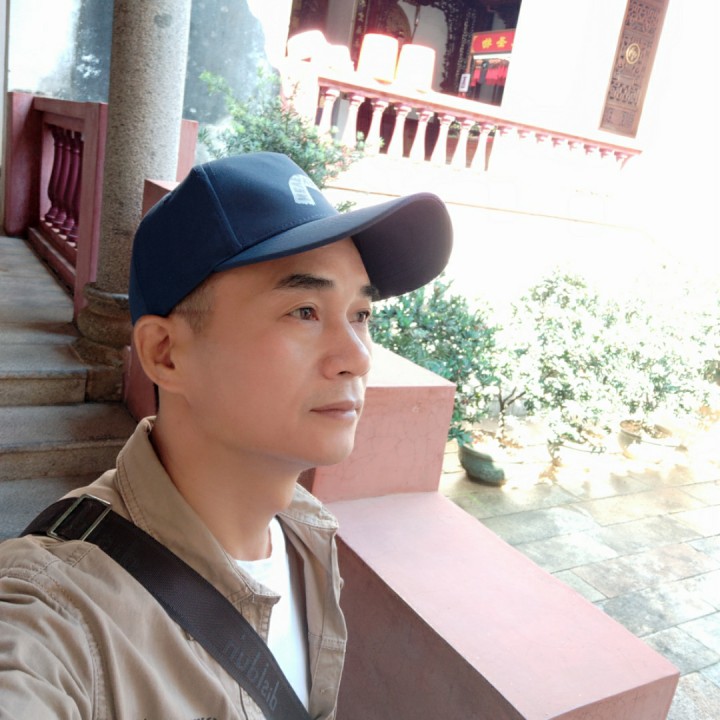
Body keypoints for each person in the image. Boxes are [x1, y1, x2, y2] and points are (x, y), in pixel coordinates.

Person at [0, 151, 452, 719]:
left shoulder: (305, 536)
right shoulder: (57, 613)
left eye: (361, 314)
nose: (357, 358)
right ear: (166, 354)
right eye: (305, 311)